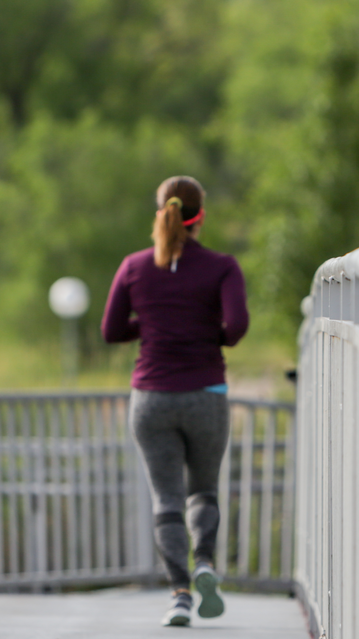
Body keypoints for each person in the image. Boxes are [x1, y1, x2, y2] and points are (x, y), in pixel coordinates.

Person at [101, 176, 248, 627]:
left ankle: (180, 594)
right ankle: (204, 563)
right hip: (205, 394)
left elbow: (111, 330)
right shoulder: (222, 266)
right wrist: (206, 332)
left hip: (152, 399)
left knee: (166, 499)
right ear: (200, 217)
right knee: (203, 490)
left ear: (160, 211)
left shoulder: (134, 266)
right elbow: (236, 327)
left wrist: (151, 325)